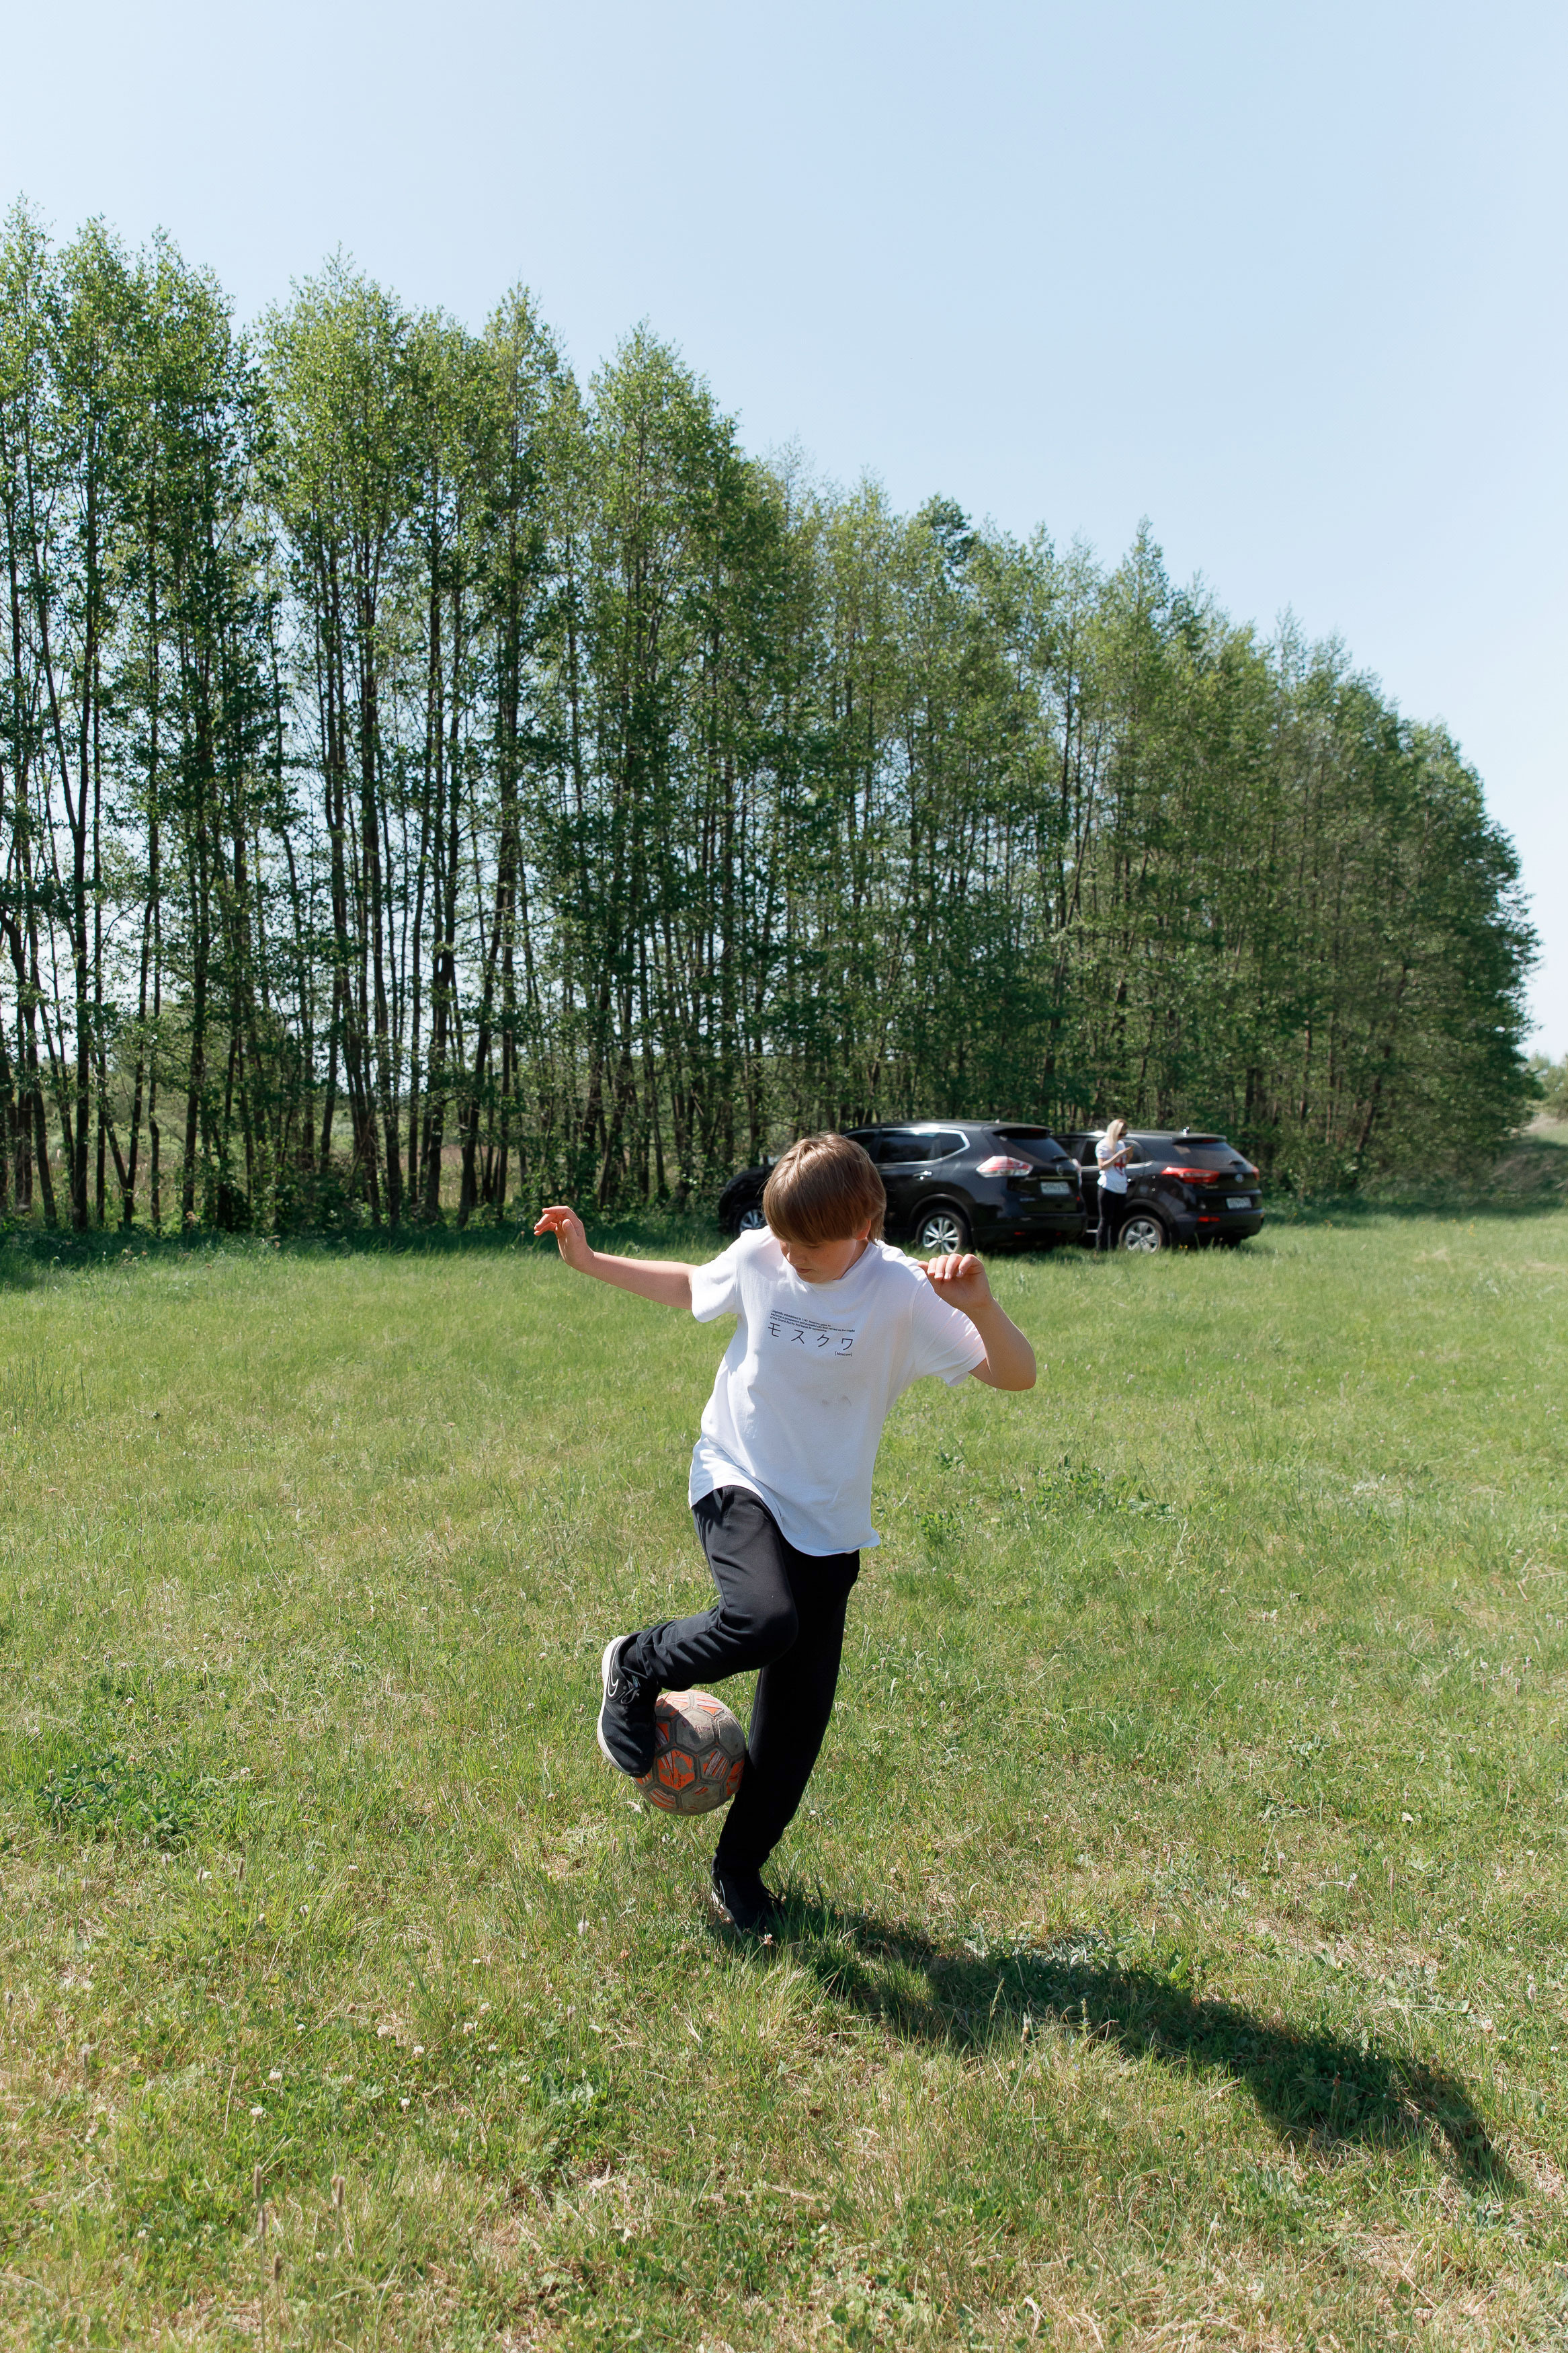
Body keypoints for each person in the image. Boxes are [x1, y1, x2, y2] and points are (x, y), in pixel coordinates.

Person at [533, 1133, 1036, 1933]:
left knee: (795, 1723)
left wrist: (979, 1305)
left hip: (828, 1519)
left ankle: (737, 1870)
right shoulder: (765, 1253)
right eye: (783, 1239)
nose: (791, 1256)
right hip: (735, 1473)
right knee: (763, 1618)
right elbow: (691, 1285)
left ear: (865, 1224)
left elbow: (1015, 1374)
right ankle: (636, 1663)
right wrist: (589, 1259)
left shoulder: (903, 1292)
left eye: (810, 1244)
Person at [1095, 1118, 1131, 1252]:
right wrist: (1118, 1155)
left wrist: (1128, 1157)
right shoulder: (1103, 1145)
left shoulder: (1121, 1144)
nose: (1122, 1137)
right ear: (1114, 1132)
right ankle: (1100, 1250)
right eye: (1120, 1134)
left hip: (1121, 1187)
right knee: (1105, 1220)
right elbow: (1102, 1166)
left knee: (1117, 1222)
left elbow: (1122, 1167)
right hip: (1107, 1186)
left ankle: (1113, 1250)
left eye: (1125, 1135)